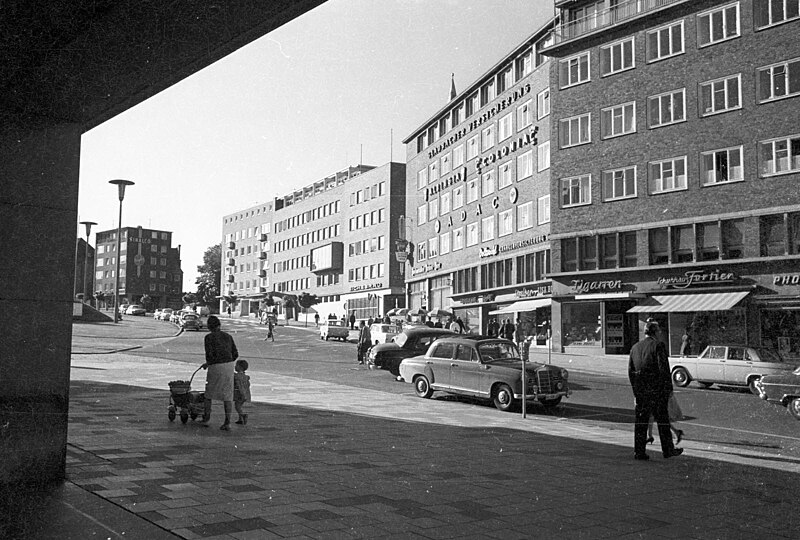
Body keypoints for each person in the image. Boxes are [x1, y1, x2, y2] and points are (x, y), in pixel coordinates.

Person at [628, 321, 683, 460]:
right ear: (655, 332)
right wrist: (668, 389)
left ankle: (639, 451)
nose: (660, 333)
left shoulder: (635, 347)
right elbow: (664, 369)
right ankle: (668, 449)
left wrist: (636, 391)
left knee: (641, 422)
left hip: (641, 391)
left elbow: (630, 371)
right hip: (656, 390)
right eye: (658, 331)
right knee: (662, 420)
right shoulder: (658, 346)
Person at [201, 315, 238, 431]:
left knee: (209, 394)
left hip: (215, 367)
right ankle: (227, 422)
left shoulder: (208, 337)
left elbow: (209, 354)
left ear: (209, 327)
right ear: (219, 325)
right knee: (227, 395)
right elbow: (235, 353)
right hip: (228, 366)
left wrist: (208, 363)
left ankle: (206, 419)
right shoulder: (228, 336)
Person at [233, 359, 251, 425]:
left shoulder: (237, 376)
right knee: (239, 406)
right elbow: (248, 385)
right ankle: (240, 419)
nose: (235, 367)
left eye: (236, 365)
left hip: (240, 394)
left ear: (240, 367)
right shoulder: (245, 377)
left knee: (237, 406)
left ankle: (243, 415)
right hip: (245, 394)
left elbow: (238, 386)